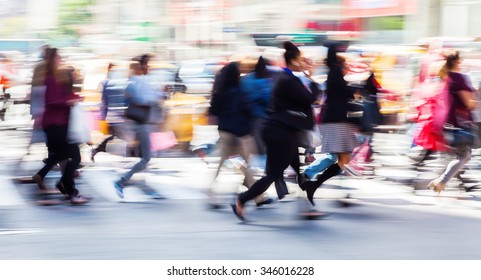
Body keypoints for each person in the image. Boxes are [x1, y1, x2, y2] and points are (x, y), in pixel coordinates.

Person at [231, 41, 319, 221]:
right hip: (281, 133)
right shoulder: (288, 80)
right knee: (273, 175)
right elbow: (311, 98)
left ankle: (308, 208)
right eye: (301, 59)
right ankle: (242, 200)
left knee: (298, 171)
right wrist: (312, 76)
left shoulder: (285, 78)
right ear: (293, 61)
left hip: (284, 131)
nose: (304, 62)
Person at [300, 43, 359, 206]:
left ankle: (312, 183)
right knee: (342, 158)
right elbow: (345, 92)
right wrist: (356, 89)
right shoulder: (335, 73)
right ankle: (311, 182)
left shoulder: (334, 74)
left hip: (337, 121)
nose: (347, 67)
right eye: (345, 64)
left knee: (342, 158)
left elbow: (344, 93)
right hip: (336, 122)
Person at [208, 62, 273, 209]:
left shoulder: (220, 91)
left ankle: (212, 197)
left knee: (221, 167)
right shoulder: (240, 92)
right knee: (246, 165)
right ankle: (258, 196)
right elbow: (248, 111)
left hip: (225, 132)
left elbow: (214, 111)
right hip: (241, 135)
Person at [34, 48, 90, 204]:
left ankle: (63, 186)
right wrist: (69, 102)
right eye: (58, 57)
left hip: (60, 124)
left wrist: (75, 98)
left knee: (66, 155)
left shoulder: (55, 78)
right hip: (55, 124)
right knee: (71, 155)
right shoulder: (51, 79)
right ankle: (68, 189)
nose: (60, 60)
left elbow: (62, 96)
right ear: (52, 60)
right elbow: (52, 101)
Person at [113, 55, 163, 199]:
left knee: (145, 157)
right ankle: (122, 182)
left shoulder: (134, 81)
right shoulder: (138, 81)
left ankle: (134, 183)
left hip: (141, 123)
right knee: (146, 158)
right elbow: (144, 99)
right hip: (141, 124)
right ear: (141, 67)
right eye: (147, 64)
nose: (149, 67)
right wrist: (159, 94)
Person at [240, 56, 290, 199]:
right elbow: (269, 100)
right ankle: (277, 189)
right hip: (263, 122)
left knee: (259, 155)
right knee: (270, 156)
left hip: (249, 122)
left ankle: (251, 180)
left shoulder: (245, 80)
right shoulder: (263, 83)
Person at [427, 51, 477, 193]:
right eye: (460, 61)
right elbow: (468, 103)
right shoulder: (458, 78)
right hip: (459, 124)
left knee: (462, 156)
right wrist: (475, 100)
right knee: (464, 155)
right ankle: (441, 182)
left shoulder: (446, 78)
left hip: (447, 124)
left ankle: (440, 181)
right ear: (456, 62)